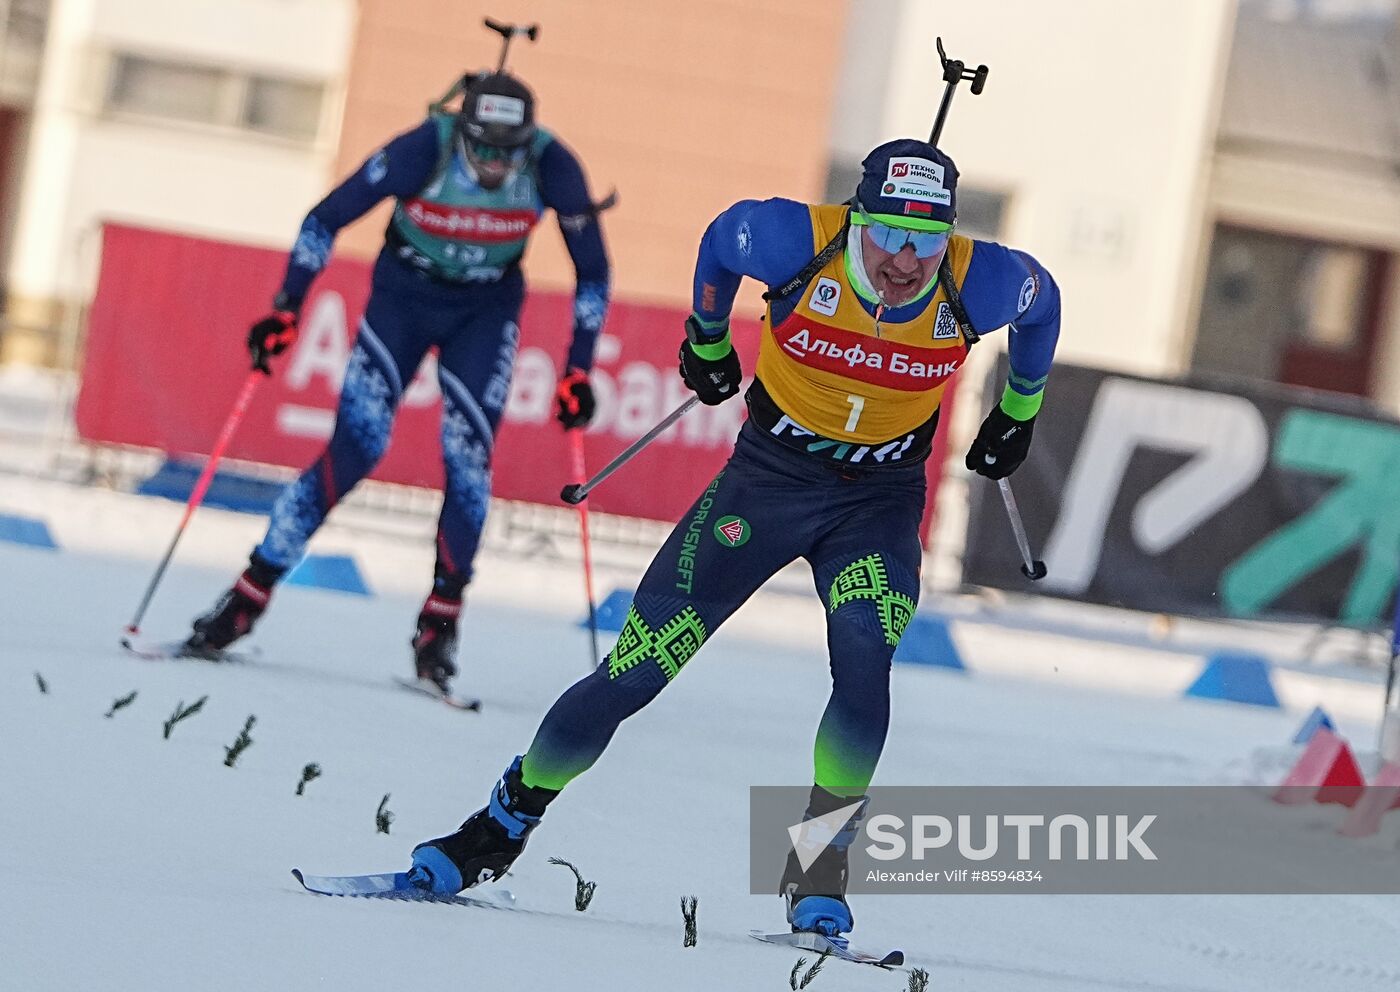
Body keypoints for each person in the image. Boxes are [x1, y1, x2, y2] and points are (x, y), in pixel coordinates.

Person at [403, 137, 1061, 935]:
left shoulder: (979, 278)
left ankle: (820, 866)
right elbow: (721, 240)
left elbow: (1044, 302)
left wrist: (1018, 410)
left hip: (877, 504)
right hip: (766, 486)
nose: (906, 260)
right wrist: (707, 338)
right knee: (636, 673)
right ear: (858, 218)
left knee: (863, 667)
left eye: (927, 241)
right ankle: (497, 827)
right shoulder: (793, 239)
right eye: (889, 233)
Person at [183, 69, 611, 696]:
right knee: (356, 447)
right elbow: (323, 218)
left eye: (507, 152)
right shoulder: (424, 147)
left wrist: (578, 369)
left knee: (469, 461)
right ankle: (245, 598)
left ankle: (439, 630)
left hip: (484, 314)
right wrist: (287, 307)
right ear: (462, 131)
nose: (495, 164)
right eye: (483, 147)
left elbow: (594, 273)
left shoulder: (553, 166)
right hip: (402, 302)